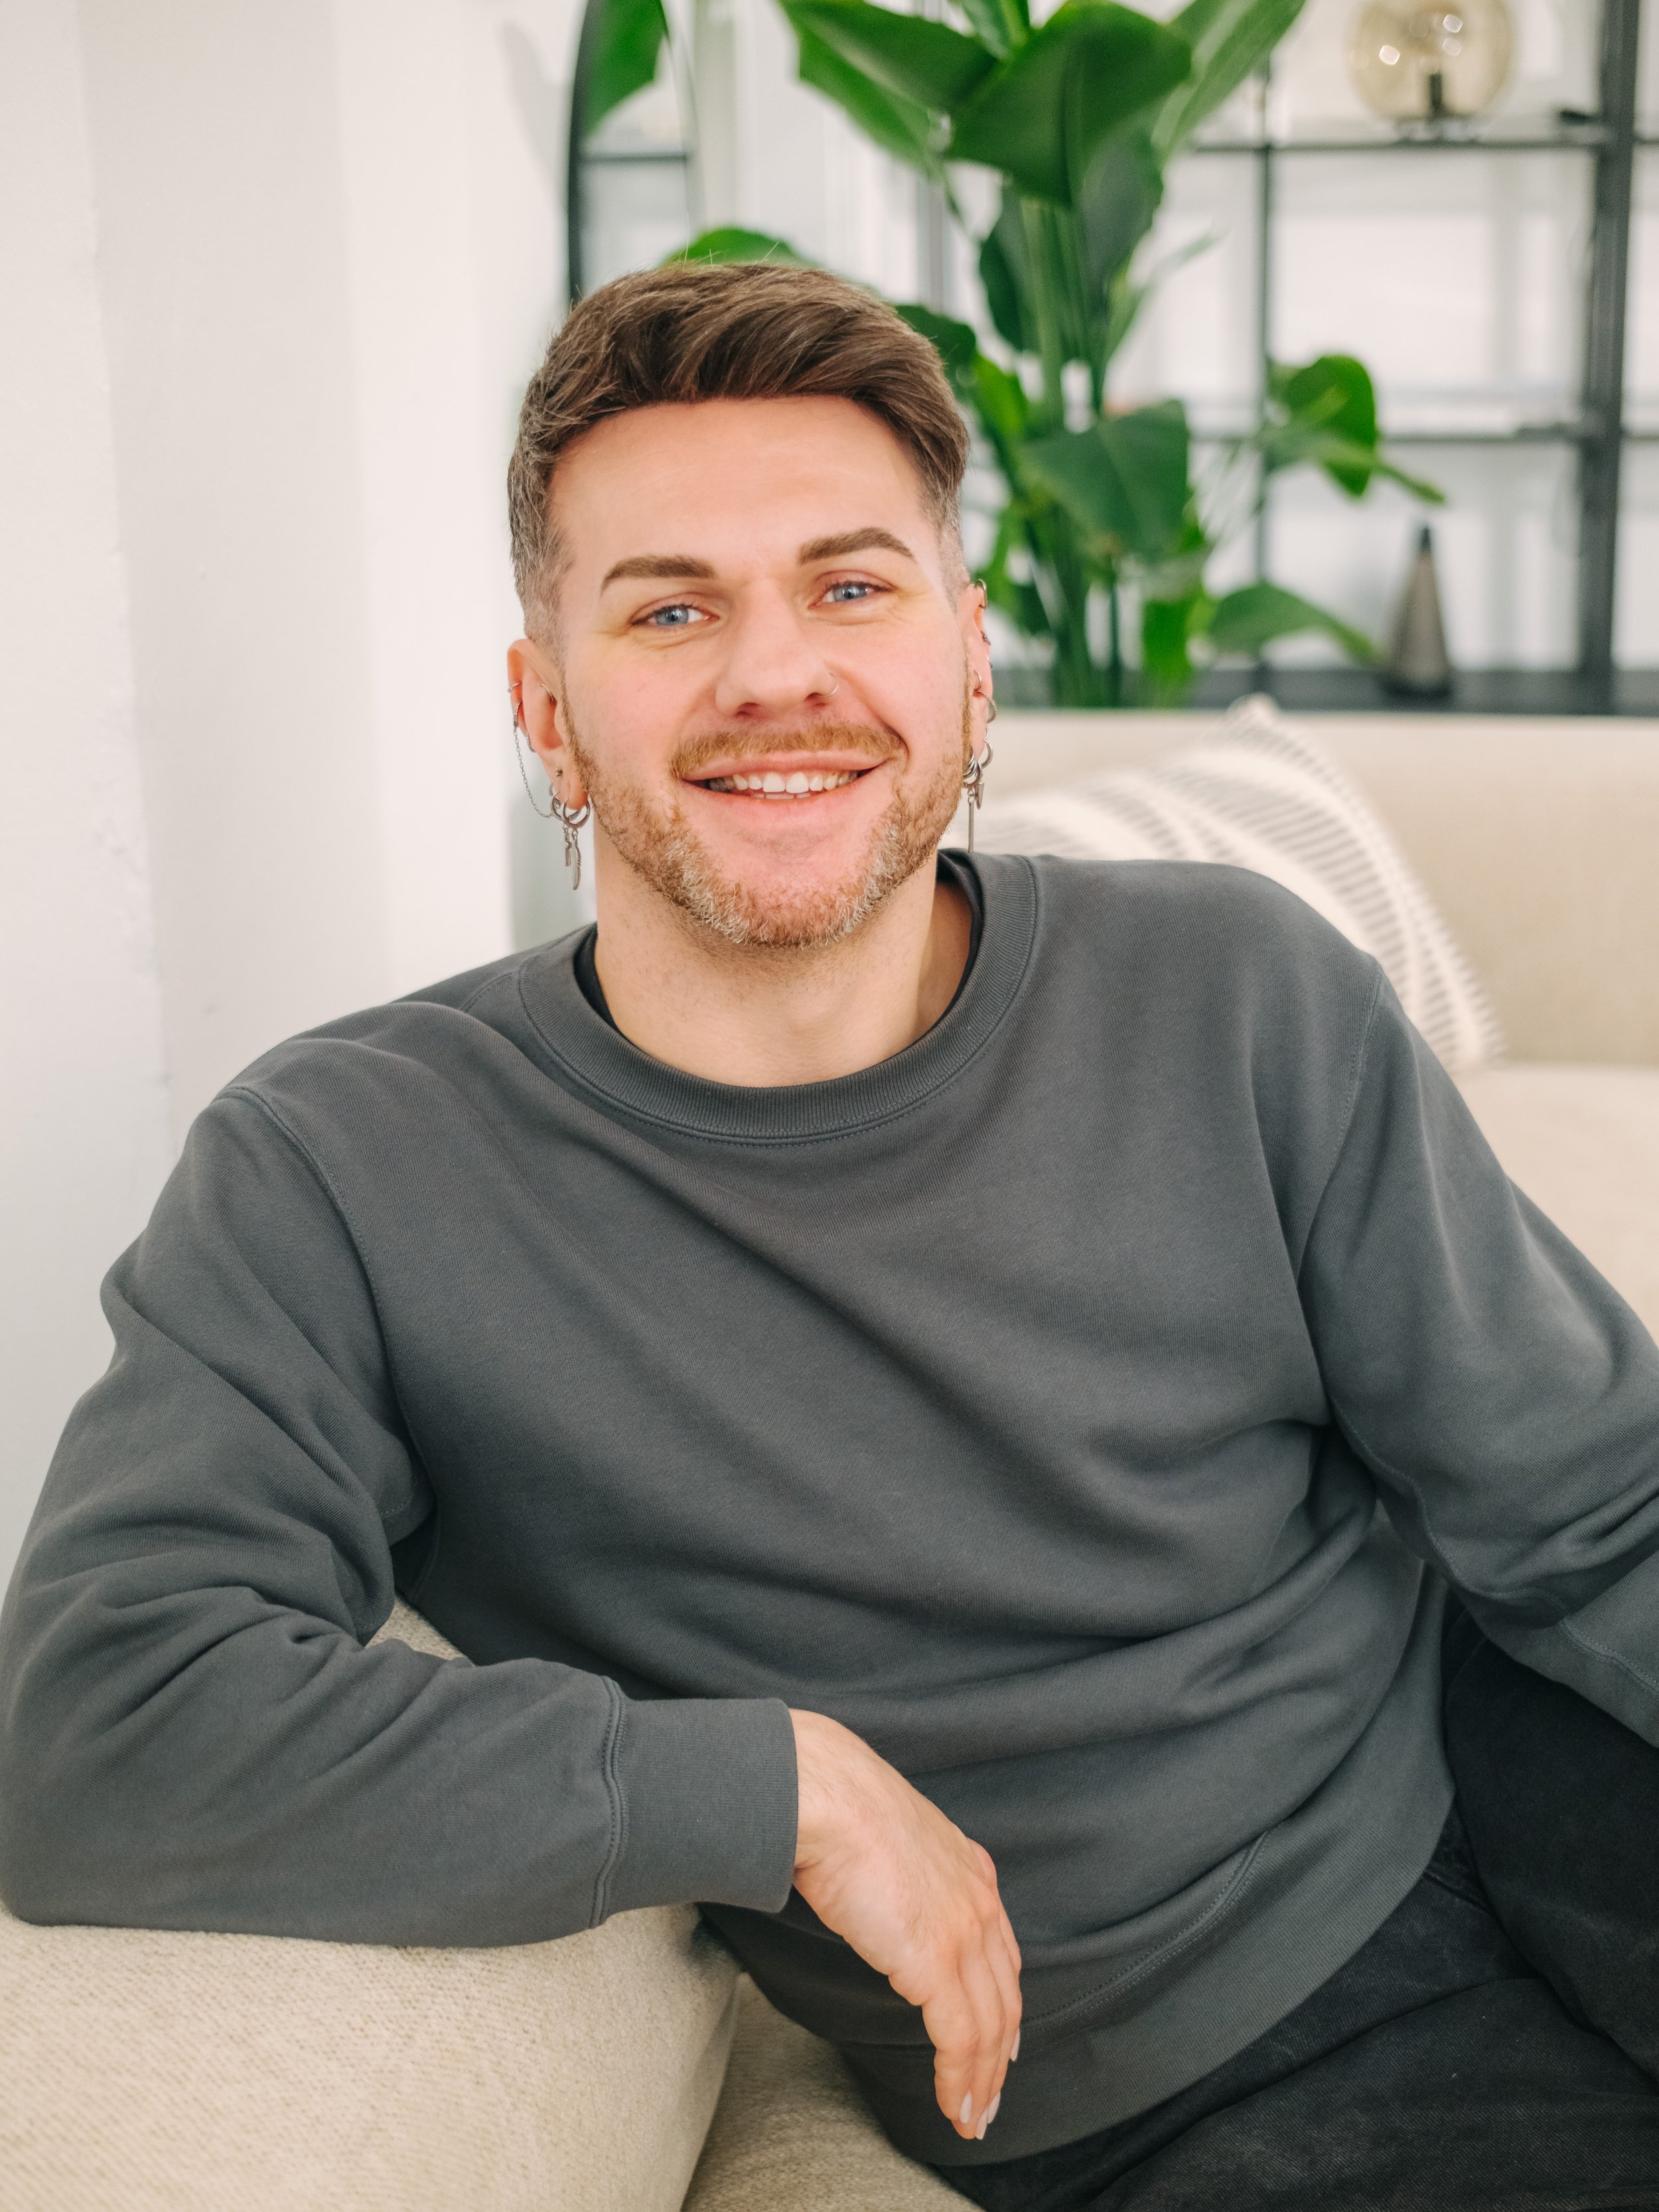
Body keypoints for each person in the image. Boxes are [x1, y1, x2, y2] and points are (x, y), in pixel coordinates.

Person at [1, 261, 1656, 2209]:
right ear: (546, 710)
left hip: (1516, 1750)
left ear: (969, 662)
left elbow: (1594, 1502)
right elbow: (94, 1716)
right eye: (670, 609)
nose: (773, 675)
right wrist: (760, 1790)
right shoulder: (341, 1169)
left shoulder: (1235, 990)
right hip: (1194, 2068)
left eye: (851, 588)